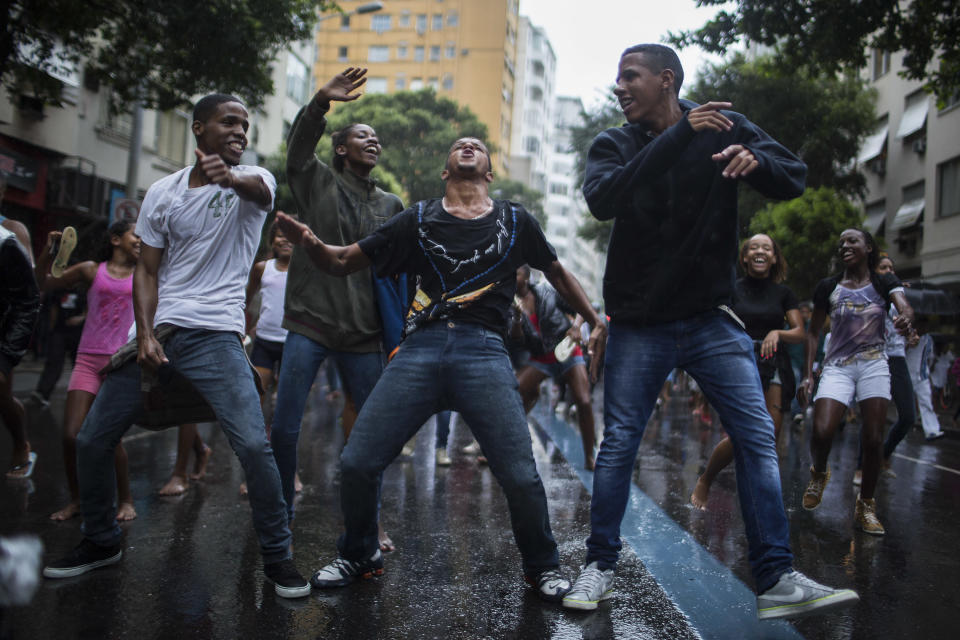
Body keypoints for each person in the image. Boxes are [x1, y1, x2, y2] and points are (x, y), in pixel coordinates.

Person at [565, 43, 858, 620]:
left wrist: (758, 161)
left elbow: (792, 176)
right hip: (640, 322)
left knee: (756, 436)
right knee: (620, 441)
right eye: (618, 78)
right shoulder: (614, 143)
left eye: (631, 76)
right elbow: (604, 198)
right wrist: (680, 137)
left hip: (710, 319)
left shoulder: (726, 126)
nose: (619, 87)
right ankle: (599, 566)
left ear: (666, 80)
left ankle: (775, 578)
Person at [275, 133, 607, 603]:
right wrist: (312, 245)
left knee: (520, 475)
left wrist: (595, 321)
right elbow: (345, 260)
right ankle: (360, 553)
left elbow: (557, 273)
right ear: (446, 170)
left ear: (489, 172)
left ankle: (542, 567)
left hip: (484, 351)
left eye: (477, 145)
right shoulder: (418, 218)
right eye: (458, 145)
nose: (467, 145)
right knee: (357, 461)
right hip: (421, 349)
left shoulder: (516, 220)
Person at [42, 93, 310, 598]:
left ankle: (278, 558)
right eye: (228, 122)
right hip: (161, 332)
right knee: (92, 438)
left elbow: (255, 190)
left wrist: (229, 177)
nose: (240, 132)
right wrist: (142, 332)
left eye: (245, 125)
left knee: (253, 444)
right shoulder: (163, 192)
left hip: (217, 334)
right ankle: (101, 541)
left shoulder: (255, 181)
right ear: (198, 128)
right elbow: (147, 269)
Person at [272, 68, 404, 551]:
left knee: (370, 435)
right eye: (362, 137)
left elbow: (401, 264)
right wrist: (320, 105)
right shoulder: (317, 183)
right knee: (285, 425)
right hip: (310, 321)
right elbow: (298, 151)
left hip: (363, 333)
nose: (374, 142)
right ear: (343, 149)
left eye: (377, 139)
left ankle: (369, 522)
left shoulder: (391, 205)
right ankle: (281, 510)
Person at [800, 229, 915, 538]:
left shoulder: (882, 282)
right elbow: (813, 332)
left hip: (874, 364)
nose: (845, 245)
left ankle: (865, 505)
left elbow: (903, 305)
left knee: (874, 438)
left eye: (852, 241)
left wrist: (905, 316)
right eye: (841, 242)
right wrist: (808, 374)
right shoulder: (828, 287)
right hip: (837, 366)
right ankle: (820, 472)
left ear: (868, 248)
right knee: (822, 430)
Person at [35, 222, 142, 521]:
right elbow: (44, 282)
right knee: (71, 435)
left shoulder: (144, 274)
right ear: (116, 239)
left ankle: (126, 499)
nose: (141, 241)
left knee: (110, 438)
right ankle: (78, 499)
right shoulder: (90, 270)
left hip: (121, 363)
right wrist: (50, 252)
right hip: (87, 360)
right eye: (136, 235)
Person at [690, 233, 804, 509]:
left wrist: (778, 332)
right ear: (744, 257)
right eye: (754, 247)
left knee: (769, 433)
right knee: (742, 433)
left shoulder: (784, 293)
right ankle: (707, 478)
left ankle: (762, 497)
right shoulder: (732, 288)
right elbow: (715, 321)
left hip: (773, 361)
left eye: (766, 247)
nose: (760, 251)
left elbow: (800, 332)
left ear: (774, 257)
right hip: (738, 361)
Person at [514, 265, 597, 470]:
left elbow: (580, 306)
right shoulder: (509, 303)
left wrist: (576, 327)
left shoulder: (547, 291)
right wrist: (516, 318)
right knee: (513, 393)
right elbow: (517, 340)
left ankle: (589, 455)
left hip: (566, 351)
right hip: (540, 357)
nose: (510, 277)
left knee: (584, 401)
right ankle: (508, 449)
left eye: (514, 274)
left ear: (525, 278)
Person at [240, 220, 301, 495]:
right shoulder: (262, 269)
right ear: (272, 240)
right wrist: (240, 327)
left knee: (287, 413)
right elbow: (245, 299)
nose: (284, 241)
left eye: (289, 237)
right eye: (279, 236)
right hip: (264, 343)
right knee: (255, 406)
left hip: (294, 344)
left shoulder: (304, 269)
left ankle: (291, 472)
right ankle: (252, 474)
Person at [852, 254, 919, 486]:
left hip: (897, 359)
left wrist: (912, 336)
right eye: (884, 267)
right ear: (873, 271)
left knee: (909, 416)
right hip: (873, 358)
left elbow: (908, 326)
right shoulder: (866, 292)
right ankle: (861, 466)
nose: (889, 270)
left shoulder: (900, 295)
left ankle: (883, 456)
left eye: (892, 267)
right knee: (871, 417)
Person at [1, 224, 40, 478]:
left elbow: (28, 299)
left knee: (1, 395)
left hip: (2, 333)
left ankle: (20, 442)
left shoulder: (8, 240)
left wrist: (7, 354)